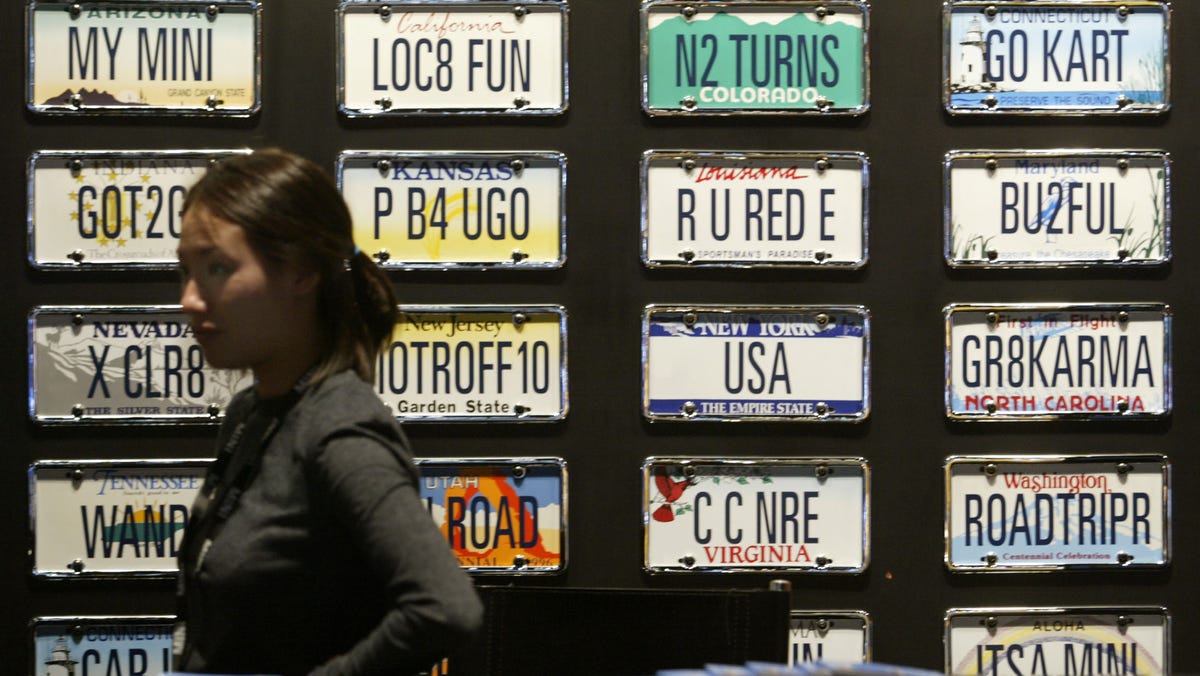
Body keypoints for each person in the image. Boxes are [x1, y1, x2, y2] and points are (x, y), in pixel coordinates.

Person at [174, 148, 482, 675]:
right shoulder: (253, 412)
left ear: (301, 272)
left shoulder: (339, 428)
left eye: (218, 268)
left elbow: (447, 608)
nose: (190, 299)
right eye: (186, 270)